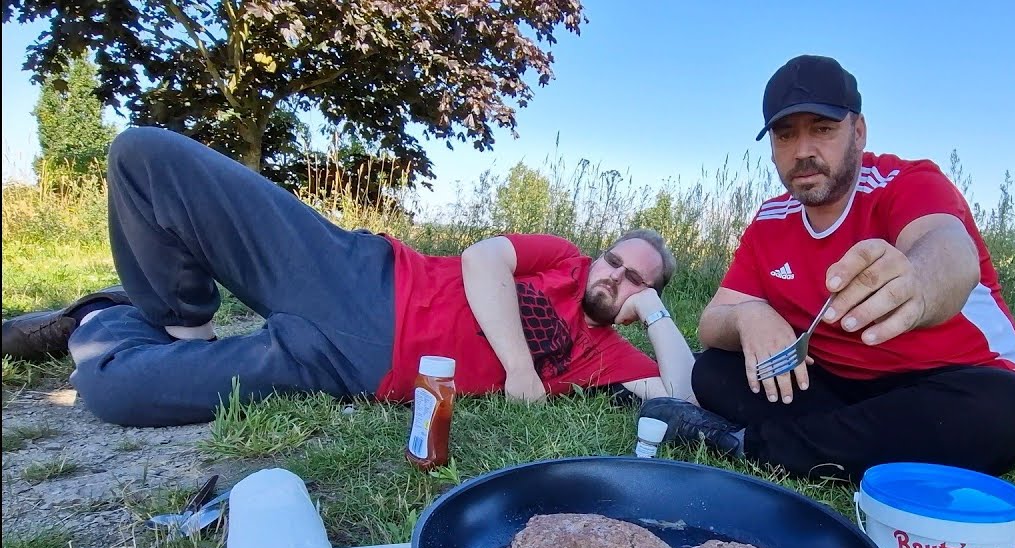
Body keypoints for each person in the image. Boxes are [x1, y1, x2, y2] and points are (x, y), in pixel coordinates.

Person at [0, 127, 696, 427]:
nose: (614, 278)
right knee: (146, 155)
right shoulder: (564, 260)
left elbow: (683, 394)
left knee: (115, 390)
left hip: (345, 366)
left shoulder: (606, 355)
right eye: (616, 260)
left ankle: (101, 314)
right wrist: (518, 368)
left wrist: (659, 314)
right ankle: (185, 323)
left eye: (636, 280)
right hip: (356, 277)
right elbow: (486, 258)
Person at [640, 55, 1015, 481]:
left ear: (858, 131)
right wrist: (748, 315)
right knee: (714, 371)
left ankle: (746, 445)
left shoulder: (906, 182)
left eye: (822, 129)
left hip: (944, 382)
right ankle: (863, 448)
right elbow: (712, 323)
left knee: (1012, 412)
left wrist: (917, 285)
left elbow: (948, 249)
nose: (803, 151)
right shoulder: (770, 220)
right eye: (785, 135)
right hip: (833, 386)